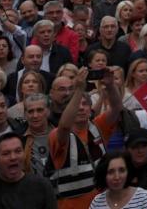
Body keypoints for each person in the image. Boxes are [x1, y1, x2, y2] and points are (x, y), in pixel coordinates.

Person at [50, 67, 121, 209]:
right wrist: (78, 90)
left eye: (85, 104)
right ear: (66, 110)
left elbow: (117, 108)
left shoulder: (99, 126)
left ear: (90, 108)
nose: (81, 108)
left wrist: (110, 85)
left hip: (103, 205)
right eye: (77, 104)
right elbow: (64, 127)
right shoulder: (56, 134)